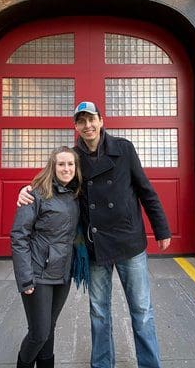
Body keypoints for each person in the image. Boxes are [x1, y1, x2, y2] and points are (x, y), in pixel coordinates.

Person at [19, 101, 171, 368]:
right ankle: (102, 365)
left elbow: (145, 189)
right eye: (82, 121)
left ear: (101, 121)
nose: (88, 125)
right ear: (76, 126)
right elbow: (54, 178)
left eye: (92, 119)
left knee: (142, 311)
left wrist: (161, 227)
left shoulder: (123, 148)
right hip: (95, 246)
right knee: (99, 312)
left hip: (129, 241)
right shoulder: (74, 157)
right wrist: (27, 189)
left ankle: (150, 364)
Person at [10, 146, 82, 368]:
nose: (66, 168)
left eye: (70, 164)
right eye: (61, 164)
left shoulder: (75, 194)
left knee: (49, 327)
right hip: (38, 273)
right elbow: (19, 236)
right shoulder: (35, 194)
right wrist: (25, 278)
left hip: (62, 273)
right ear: (52, 166)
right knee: (39, 333)